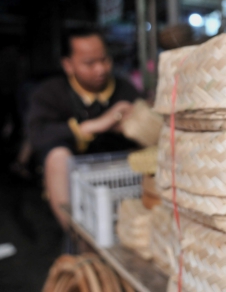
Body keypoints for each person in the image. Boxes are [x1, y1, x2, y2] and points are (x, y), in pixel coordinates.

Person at [28, 27, 141, 229]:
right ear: (68, 65)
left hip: (120, 180)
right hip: (74, 182)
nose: (101, 69)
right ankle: (75, 234)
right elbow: (37, 134)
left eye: (105, 60)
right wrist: (90, 127)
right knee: (57, 155)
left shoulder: (125, 89)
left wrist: (134, 125)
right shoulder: (51, 92)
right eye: (90, 63)